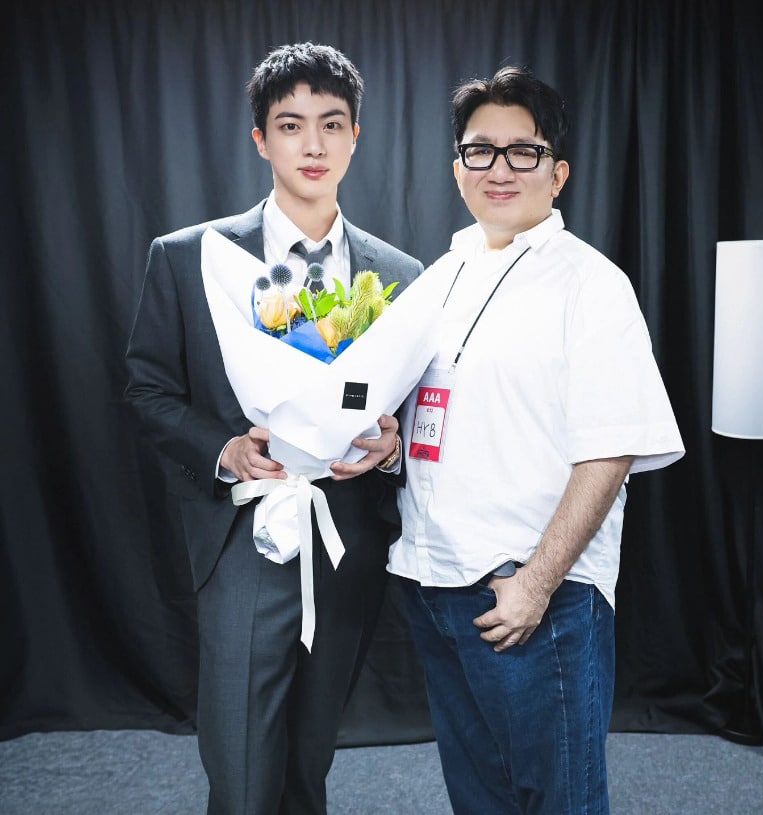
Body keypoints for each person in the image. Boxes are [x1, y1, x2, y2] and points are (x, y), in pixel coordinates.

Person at [124, 42, 422, 815]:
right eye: (291, 126)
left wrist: (388, 446)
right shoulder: (191, 257)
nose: (313, 145)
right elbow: (147, 389)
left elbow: (416, 416)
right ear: (260, 138)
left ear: (357, 135)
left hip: (345, 532)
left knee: (310, 754)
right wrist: (222, 448)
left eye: (332, 125)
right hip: (241, 535)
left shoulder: (400, 275)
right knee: (243, 760)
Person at [387, 66, 685, 814]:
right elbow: (438, 419)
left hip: (529, 593)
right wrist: (382, 445)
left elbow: (611, 450)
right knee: (479, 795)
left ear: (557, 174)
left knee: (557, 800)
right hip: (434, 580)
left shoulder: (589, 283)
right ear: (457, 168)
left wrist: (536, 582)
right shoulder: (441, 276)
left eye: (522, 152)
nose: (498, 168)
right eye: (479, 150)